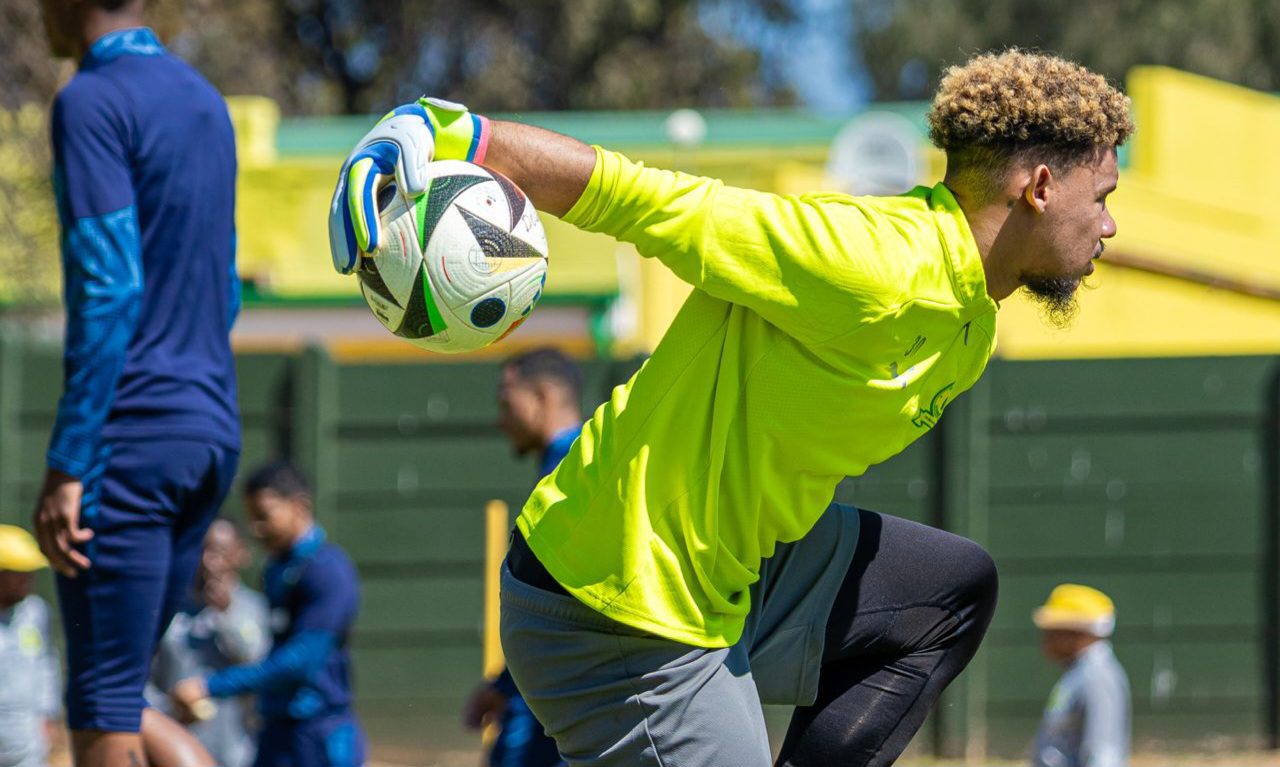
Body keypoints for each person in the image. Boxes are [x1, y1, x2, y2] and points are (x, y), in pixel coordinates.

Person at [330, 49, 1131, 765]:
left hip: (731, 575)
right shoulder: (873, 261)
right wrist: (446, 134)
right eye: (1101, 197)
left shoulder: (971, 323)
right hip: (618, 605)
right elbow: (639, 197)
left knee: (950, 591)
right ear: (1040, 187)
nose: (1110, 225)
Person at [34, 1, 241, 765]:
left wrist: (68, 459)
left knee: (100, 702)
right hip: (209, 433)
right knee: (124, 692)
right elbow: (225, 290)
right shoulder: (204, 101)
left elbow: (110, 287)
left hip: (131, 440)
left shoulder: (91, 99)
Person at [169, 462, 365, 767]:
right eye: (251, 518)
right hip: (274, 726)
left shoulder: (329, 570)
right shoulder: (276, 570)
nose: (256, 528)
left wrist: (211, 686)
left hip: (317, 730)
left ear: (299, 507)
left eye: (264, 515)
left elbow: (301, 660)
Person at [462, 349, 583, 767]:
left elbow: (561, 600)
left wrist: (506, 687)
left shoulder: (574, 468)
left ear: (543, 397)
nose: (500, 419)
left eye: (506, 403)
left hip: (566, 693)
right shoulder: (568, 461)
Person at [148, 520, 270, 767]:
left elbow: (258, 662)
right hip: (177, 743)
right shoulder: (171, 610)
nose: (209, 561)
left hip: (235, 747)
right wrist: (169, 709)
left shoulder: (252, 607)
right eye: (202, 550)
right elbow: (149, 678)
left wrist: (226, 614)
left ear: (240, 554)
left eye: (220, 552)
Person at [1031, 584, 1131, 767]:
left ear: (1076, 633)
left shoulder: (1098, 678)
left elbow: (1102, 755)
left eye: (1053, 631)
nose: (1045, 639)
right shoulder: (1078, 675)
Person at [0, 525, 61, 767]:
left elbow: (47, 665)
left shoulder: (36, 613)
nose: (28, 579)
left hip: (26, 739)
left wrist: (48, 714)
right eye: (19, 572)